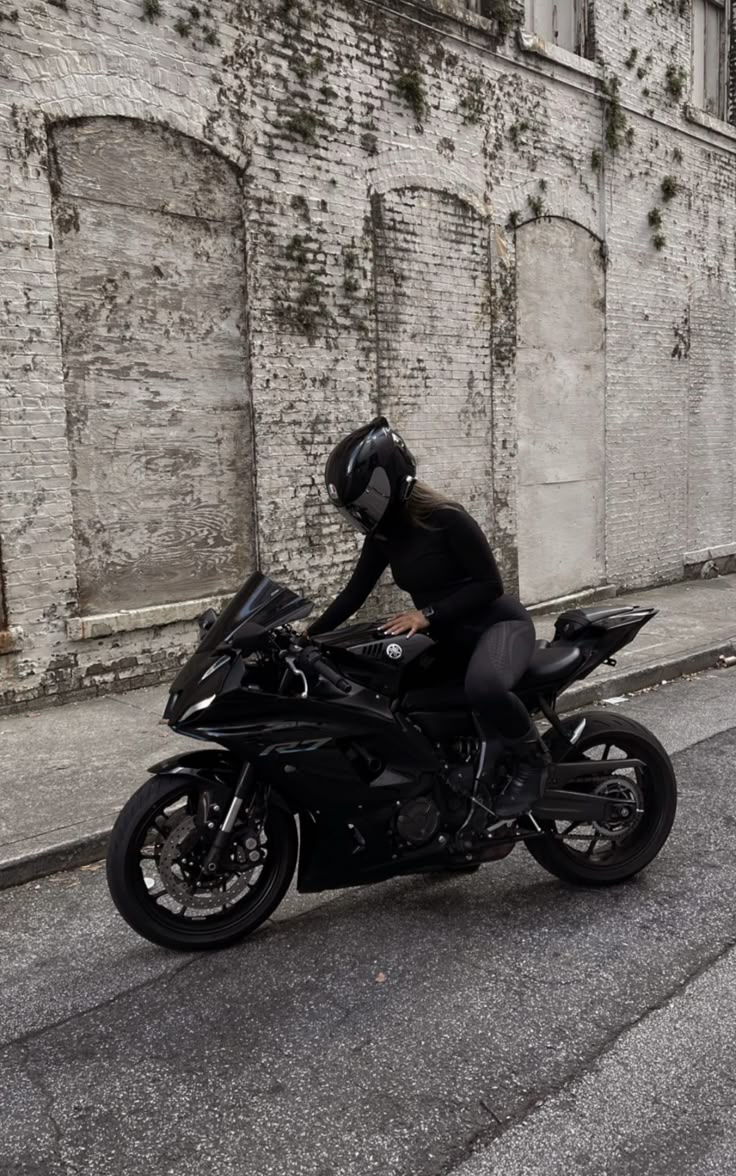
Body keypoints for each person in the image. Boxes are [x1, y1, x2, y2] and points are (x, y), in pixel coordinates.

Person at [308, 417, 546, 817]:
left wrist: (426, 615)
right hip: (452, 638)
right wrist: (308, 636)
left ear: (386, 487)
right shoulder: (384, 535)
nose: (361, 514)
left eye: (363, 504)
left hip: (497, 626)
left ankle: (533, 764)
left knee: (484, 689)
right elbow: (353, 593)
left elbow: (491, 585)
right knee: (401, 702)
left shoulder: (447, 518)